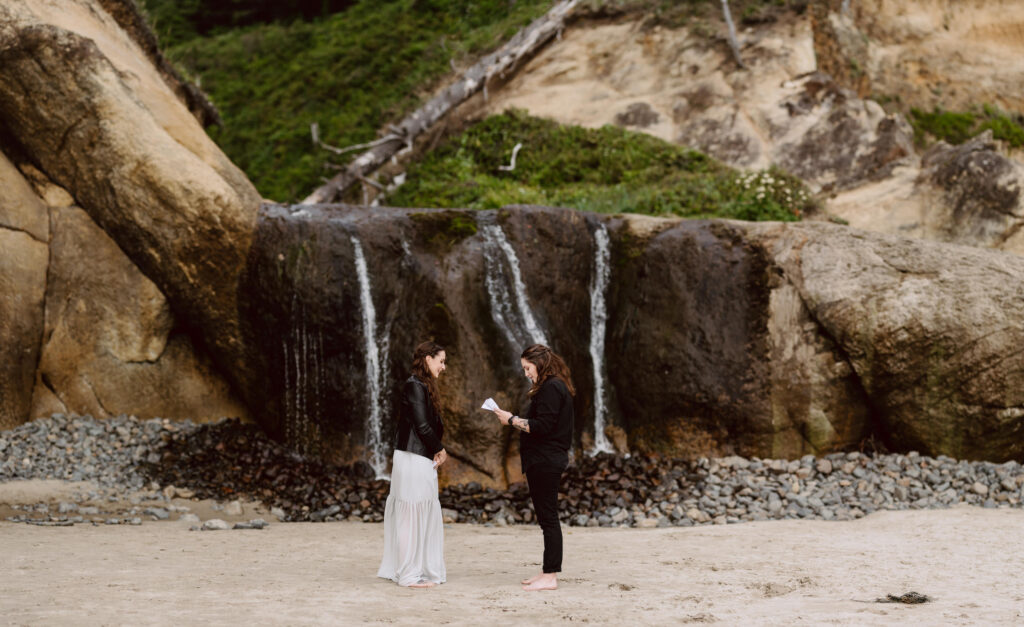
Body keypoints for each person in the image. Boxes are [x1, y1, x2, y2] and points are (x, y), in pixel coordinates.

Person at [492, 343, 575, 592]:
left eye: (527, 368)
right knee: (546, 518)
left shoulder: (551, 387)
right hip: (544, 460)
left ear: (539, 364)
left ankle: (550, 576)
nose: (526, 373)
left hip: (546, 460)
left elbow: (542, 426)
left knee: (548, 518)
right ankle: (547, 571)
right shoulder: (553, 386)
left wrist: (512, 420)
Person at [377, 341, 449, 588]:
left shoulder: (421, 385)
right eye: (441, 361)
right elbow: (422, 425)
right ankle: (409, 574)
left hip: (418, 457)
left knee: (417, 512)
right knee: (411, 514)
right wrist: (439, 449)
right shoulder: (414, 385)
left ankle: (414, 569)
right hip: (413, 458)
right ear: (428, 359)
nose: (444, 366)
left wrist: (434, 450)